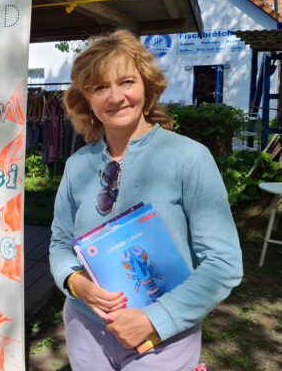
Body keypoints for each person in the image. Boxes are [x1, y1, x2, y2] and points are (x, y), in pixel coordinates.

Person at [49, 29, 243, 370]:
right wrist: (74, 282)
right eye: (99, 87)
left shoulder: (189, 158)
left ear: (147, 87)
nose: (115, 96)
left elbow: (223, 263)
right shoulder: (77, 165)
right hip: (86, 330)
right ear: (87, 101)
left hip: (162, 340)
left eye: (126, 81)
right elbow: (60, 243)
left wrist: (156, 318)